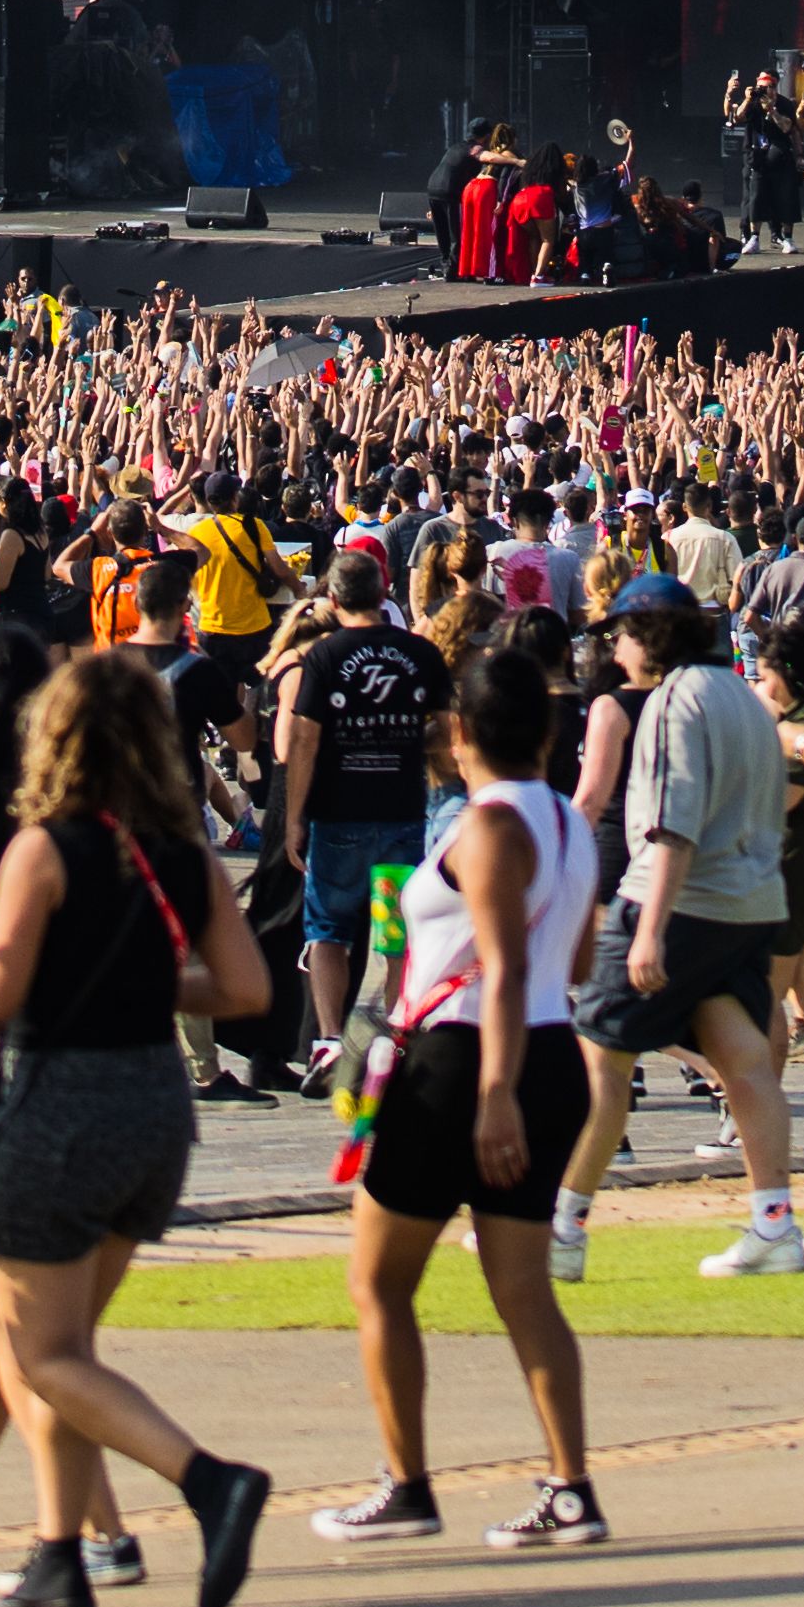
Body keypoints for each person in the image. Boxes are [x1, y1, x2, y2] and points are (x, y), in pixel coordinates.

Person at [0, 646, 285, 1607]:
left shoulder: (40, 848)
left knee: (39, 1353)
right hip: (155, 1112)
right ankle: (58, 1552)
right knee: (71, 1346)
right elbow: (247, 989)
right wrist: (144, 980)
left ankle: (209, 1481)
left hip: (61, 1108)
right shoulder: (183, 852)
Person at [327, 613, 612, 1551]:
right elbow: (567, 958)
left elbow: (500, 961)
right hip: (552, 1056)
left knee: (379, 1280)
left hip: (463, 1062)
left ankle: (407, 1480)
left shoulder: (487, 826)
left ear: (458, 732)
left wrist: (493, 1094)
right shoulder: (567, 820)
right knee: (524, 1289)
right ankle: (570, 1484)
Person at [604, 578, 804, 1276]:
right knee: (746, 1063)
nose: (613, 644)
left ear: (652, 634)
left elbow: (672, 826)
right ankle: (774, 1222)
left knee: (597, 1052)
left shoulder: (675, 702)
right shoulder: (743, 694)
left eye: (622, 631)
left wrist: (648, 930)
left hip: (686, 899)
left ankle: (559, 1219)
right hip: (749, 900)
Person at [271, 532, 446, 1071]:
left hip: (339, 809)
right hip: (402, 808)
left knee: (328, 929)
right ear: (383, 590)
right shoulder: (419, 651)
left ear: (334, 597)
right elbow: (446, 729)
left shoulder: (324, 655)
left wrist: (295, 815)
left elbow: (303, 740)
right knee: (397, 929)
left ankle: (327, 1038)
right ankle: (395, 1027)